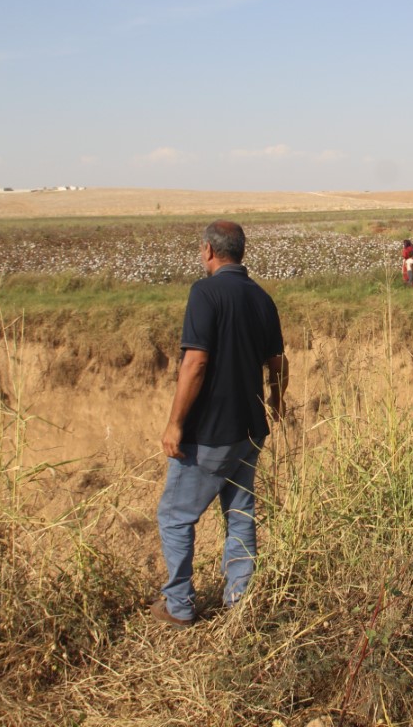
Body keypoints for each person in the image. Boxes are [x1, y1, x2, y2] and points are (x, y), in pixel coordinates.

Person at [153, 220, 289, 627]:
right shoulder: (262, 298)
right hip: (250, 429)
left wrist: (176, 424)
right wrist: (276, 402)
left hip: (210, 432)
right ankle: (240, 605)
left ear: (209, 251)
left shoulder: (205, 292)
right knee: (241, 513)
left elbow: (194, 363)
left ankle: (178, 606)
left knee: (175, 516)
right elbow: (279, 363)